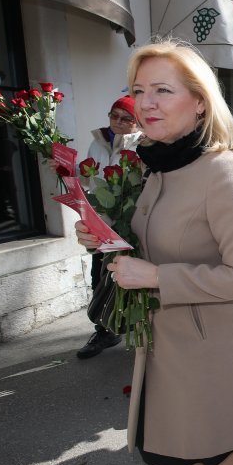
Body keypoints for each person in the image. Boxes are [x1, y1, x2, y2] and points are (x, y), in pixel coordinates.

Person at [74, 39, 233, 465]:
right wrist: (104, 237)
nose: (145, 103)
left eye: (162, 90)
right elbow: (150, 237)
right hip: (165, 344)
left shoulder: (225, 172)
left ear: (200, 102)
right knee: (188, 455)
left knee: (219, 453)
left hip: (216, 352)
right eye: (139, 89)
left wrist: (154, 276)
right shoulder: (150, 166)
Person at [75, 95, 142, 360]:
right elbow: (92, 180)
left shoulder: (145, 144)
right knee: (100, 276)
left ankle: (141, 332)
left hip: (130, 223)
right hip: (102, 223)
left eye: (126, 118)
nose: (118, 122)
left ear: (138, 122)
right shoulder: (98, 142)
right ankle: (105, 329)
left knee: (134, 281)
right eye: (114, 116)